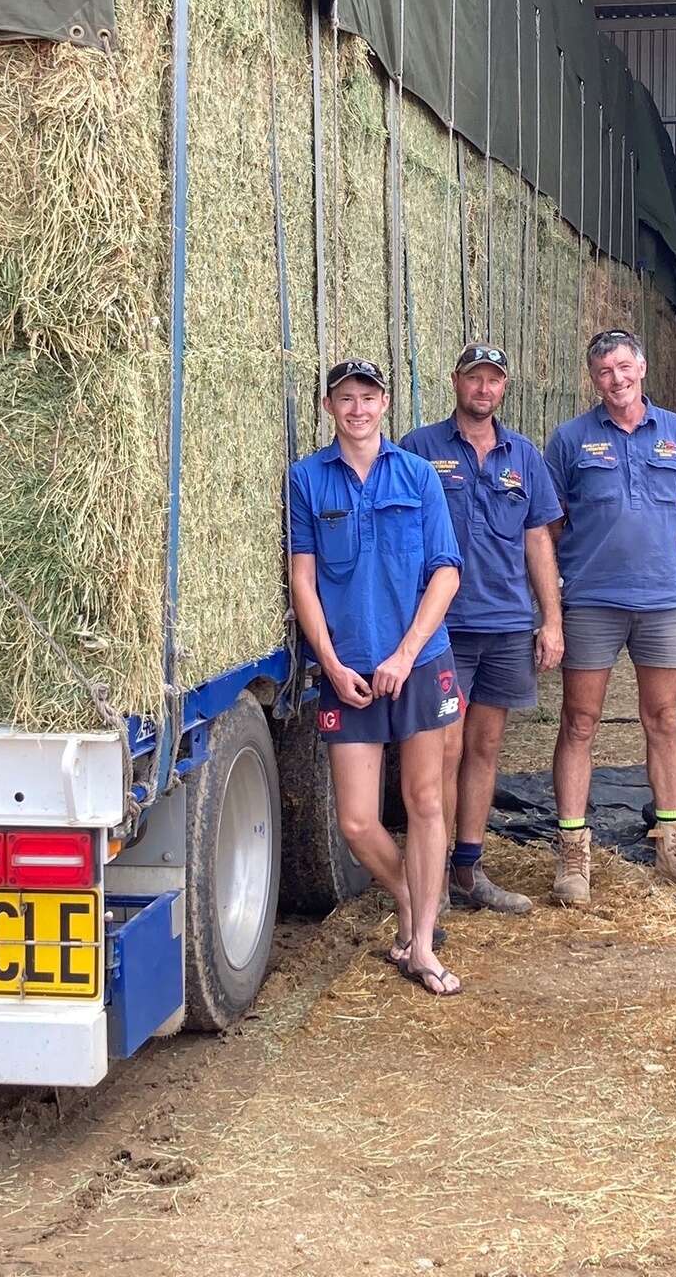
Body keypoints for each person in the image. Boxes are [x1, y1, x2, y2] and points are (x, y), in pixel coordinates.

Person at [288, 358, 464, 995]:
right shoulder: (307, 479)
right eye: (345, 398)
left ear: (385, 404)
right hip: (347, 669)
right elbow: (303, 579)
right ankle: (415, 899)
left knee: (424, 802)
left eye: (368, 396)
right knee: (358, 823)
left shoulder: (418, 476)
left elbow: (446, 570)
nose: (357, 408)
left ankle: (420, 947)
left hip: (418, 661)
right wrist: (330, 663)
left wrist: (405, 652)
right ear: (329, 407)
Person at [544, 328, 676, 906]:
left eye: (623, 367)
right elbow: (551, 520)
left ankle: (674, 838)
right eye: (603, 373)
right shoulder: (570, 439)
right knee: (579, 722)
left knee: (663, 718)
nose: (616, 380)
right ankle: (573, 848)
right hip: (592, 599)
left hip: (661, 602)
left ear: (641, 368)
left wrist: (666, 569)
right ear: (593, 380)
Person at [402, 343, 564, 916]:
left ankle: (470, 868)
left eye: (494, 380)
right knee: (444, 748)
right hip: (444, 629)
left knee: (486, 745)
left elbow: (538, 540)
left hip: (506, 624)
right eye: (475, 378)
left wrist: (551, 619)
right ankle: (436, 873)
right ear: (456, 382)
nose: (483, 388)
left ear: (503, 388)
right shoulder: (419, 449)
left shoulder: (524, 456)